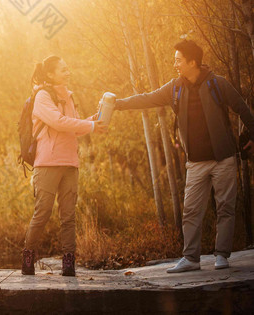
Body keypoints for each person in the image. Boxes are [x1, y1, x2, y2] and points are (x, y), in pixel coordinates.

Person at [113, 40, 254, 273]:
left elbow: (242, 108)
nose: (175, 64)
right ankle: (191, 258)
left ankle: (222, 255)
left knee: (225, 208)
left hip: (224, 158)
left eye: (178, 60)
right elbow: (147, 98)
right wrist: (117, 104)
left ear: (193, 62)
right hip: (196, 162)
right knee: (190, 210)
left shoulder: (218, 84)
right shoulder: (175, 87)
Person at [22, 56, 107, 277]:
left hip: (70, 162)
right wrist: (89, 125)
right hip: (48, 163)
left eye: (68, 68)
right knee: (42, 214)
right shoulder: (42, 96)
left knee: (69, 216)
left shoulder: (68, 97)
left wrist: (93, 121)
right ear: (50, 74)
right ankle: (28, 258)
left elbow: (75, 128)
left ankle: (68, 264)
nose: (67, 72)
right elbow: (58, 122)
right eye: (63, 69)